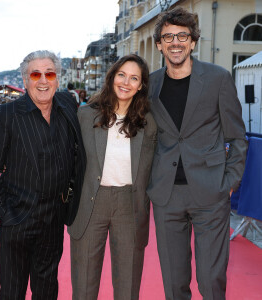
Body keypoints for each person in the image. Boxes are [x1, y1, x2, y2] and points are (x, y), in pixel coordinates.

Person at [147, 7, 248, 300]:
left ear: (193, 42)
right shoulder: (150, 85)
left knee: (210, 279)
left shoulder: (218, 79)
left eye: (182, 36)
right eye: (168, 37)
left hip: (210, 193)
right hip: (166, 194)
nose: (175, 42)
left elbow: (237, 136)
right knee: (174, 282)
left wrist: (229, 182)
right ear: (159, 44)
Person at [0, 50, 86, 300]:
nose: (43, 80)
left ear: (58, 79)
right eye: (35, 74)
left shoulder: (68, 105)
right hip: (18, 219)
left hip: (54, 219)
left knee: (47, 290)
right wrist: (4, 215)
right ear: (25, 80)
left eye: (50, 73)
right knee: (12, 291)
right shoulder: (6, 116)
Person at [68, 54, 157, 300]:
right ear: (112, 77)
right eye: (122, 75)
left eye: (134, 78)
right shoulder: (86, 115)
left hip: (130, 205)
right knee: (84, 286)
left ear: (141, 85)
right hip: (90, 202)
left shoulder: (149, 122)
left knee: (127, 287)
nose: (126, 82)